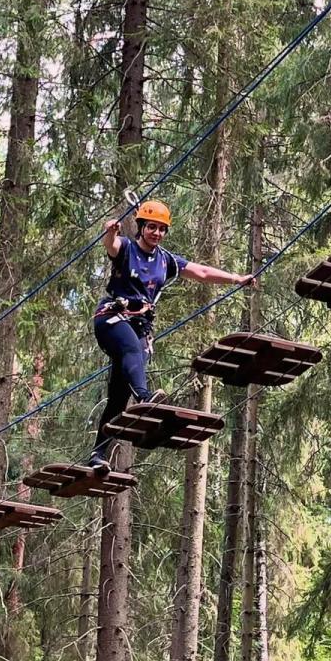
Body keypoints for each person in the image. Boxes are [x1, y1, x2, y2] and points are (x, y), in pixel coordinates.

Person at [88, 199, 256, 473]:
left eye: (161, 229)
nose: (156, 233)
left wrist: (236, 279)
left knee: (118, 397)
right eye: (151, 227)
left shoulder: (166, 260)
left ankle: (97, 455)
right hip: (112, 318)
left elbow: (201, 272)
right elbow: (112, 246)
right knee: (132, 349)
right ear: (141, 227)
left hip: (140, 325)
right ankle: (144, 398)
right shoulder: (127, 247)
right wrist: (110, 232)